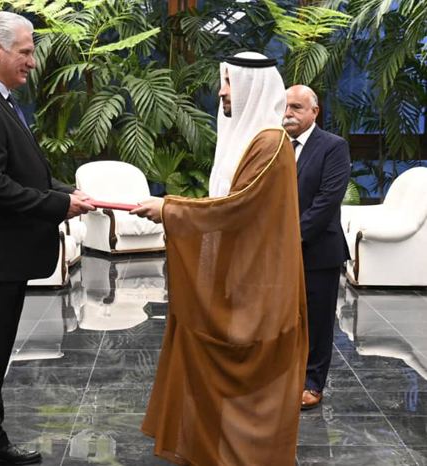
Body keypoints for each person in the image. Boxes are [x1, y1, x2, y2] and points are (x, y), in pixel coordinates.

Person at [131, 52, 308, 465]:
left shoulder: (270, 142)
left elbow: (236, 206)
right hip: (237, 277)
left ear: (252, 86)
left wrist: (169, 209)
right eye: (223, 81)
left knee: (252, 383)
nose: (222, 91)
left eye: (229, 82)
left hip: (258, 285)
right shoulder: (250, 139)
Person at [0, 11, 94, 466]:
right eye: (26, 52)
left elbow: (22, 173)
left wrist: (66, 193)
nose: (32, 61)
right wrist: (56, 206)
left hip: (1, 256)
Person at [283, 84, 351, 410]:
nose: (288, 113)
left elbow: (327, 201)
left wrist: (291, 237)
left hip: (318, 250)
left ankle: (312, 383)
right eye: (285, 107)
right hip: (276, 250)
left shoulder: (333, 147)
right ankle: (283, 377)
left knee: (317, 321)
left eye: (296, 107)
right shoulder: (275, 145)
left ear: (315, 111)